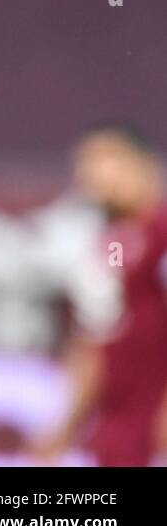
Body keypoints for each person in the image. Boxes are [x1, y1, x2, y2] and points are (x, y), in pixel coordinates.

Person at [31, 123, 167, 467]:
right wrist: (66, 425)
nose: (95, 173)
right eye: (86, 163)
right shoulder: (106, 246)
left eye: (109, 158)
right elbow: (95, 341)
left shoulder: (161, 234)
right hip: (118, 428)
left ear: (146, 165)